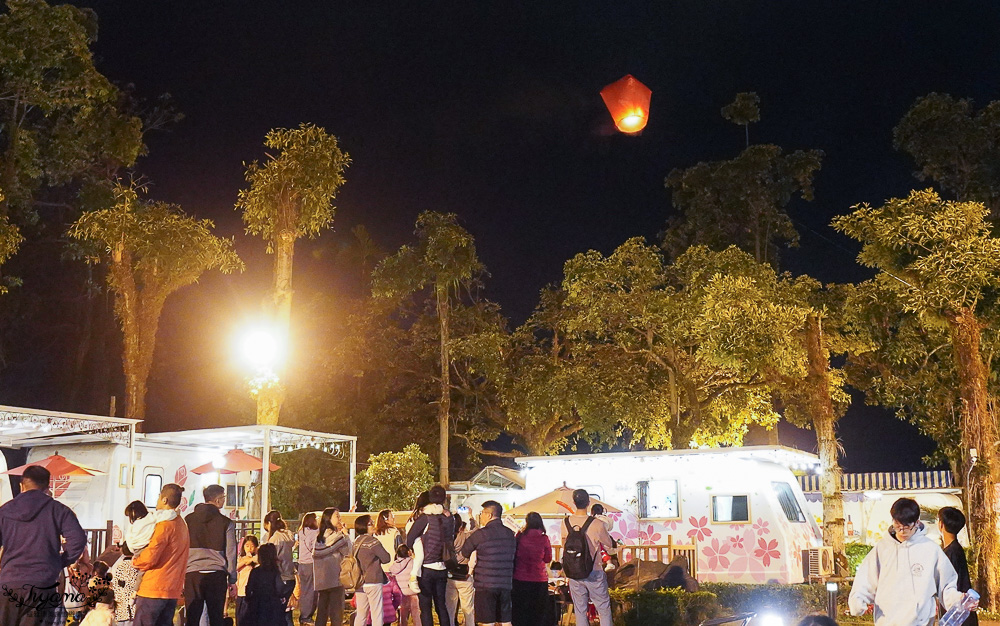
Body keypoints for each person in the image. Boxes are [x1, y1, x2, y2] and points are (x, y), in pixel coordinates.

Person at [849, 497, 967, 626]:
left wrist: (958, 600)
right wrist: (858, 600)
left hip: (920, 622)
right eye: (898, 526)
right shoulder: (882, 549)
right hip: (887, 621)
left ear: (917, 522)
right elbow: (866, 579)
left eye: (907, 527)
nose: (902, 531)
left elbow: (946, 586)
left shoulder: (930, 550)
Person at [0, 464, 88, 626]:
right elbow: (78, 540)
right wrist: (59, 561)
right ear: (47, 487)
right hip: (43, 584)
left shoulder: (5, 511)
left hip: (9, 584)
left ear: (21, 485)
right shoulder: (58, 510)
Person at [132, 483, 191, 626]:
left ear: (164, 500)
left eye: (159, 497)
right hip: (172, 589)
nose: (157, 500)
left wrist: (136, 561)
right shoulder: (181, 524)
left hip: (153, 588)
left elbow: (151, 555)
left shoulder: (164, 525)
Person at [560, 489, 616, 626]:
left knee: (580, 610)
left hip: (574, 572)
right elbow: (609, 545)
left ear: (574, 502)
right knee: (603, 609)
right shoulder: (596, 523)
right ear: (588, 503)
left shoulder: (565, 522)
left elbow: (564, 545)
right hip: (594, 571)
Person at [184, 484, 237, 626]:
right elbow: (231, 552)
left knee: (192, 618)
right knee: (216, 618)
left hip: (192, 573)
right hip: (217, 574)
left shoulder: (188, 520)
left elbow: (182, 547)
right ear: (218, 500)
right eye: (224, 497)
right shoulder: (226, 523)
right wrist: (232, 579)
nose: (224, 500)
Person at [460, 501, 516, 626]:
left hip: (485, 585)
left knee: (487, 622)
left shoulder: (481, 534)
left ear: (489, 515)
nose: (481, 516)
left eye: (482, 513)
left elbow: (465, 552)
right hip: (506, 584)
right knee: (506, 622)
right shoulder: (510, 534)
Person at [405, 485, 454, 626]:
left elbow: (409, 539)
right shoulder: (449, 518)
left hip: (426, 569)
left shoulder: (425, 518)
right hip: (443, 567)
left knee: (426, 608)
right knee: (441, 606)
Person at [939, 507, 978, 626]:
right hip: (961, 612)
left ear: (941, 525)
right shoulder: (955, 549)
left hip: (958, 615)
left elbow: (948, 584)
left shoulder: (951, 553)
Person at [511, 512, 551, 626]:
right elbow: (548, 558)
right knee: (538, 611)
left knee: (520, 610)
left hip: (520, 578)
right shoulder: (544, 538)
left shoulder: (520, 536)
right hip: (539, 579)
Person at [312, 508, 350, 626]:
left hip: (322, 581)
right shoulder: (338, 537)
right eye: (337, 516)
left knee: (321, 614)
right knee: (336, 615)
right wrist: (346, 534)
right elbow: (349, 551)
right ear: (329, 519)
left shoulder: (319, 538)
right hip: (335, 580)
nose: (339, 519)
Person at [352, 514, 391, 626]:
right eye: (370, 523)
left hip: (359, 581)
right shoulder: (372, 542)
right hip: (373, 580)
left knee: (361, 614)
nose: (373, 525)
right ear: (364, 526)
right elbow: (386, 558)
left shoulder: (356, 542)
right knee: (377, 613)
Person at [244, 543, 286, 626]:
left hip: (256, 605)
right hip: (272, 606)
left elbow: (249, 589)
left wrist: (249, 599)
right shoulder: (276, 572)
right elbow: (279, 588)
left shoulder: (255, 571)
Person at [264, 511, 297, 616]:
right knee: (286, 611)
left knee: (277, 611)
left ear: (269, 523)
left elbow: (271, 558)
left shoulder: (275, 539)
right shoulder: (288, 535)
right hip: (290, 577)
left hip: (280, 577)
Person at [447, 516, 475, 626]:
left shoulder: (446, 539)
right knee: (468, 609)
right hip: (465, 575)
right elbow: (476, 529)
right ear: (460, 526)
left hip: (450, 574)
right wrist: (471, 517)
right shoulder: (466, 536)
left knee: (450, 608)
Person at [388, 544, 420, 626]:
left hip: (402, 591)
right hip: (412, 590)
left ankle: (403, 624)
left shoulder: (395, 565)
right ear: (408, 552)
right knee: (415, 611)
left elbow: (391, 571)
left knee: (403, 611)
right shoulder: (413, 562)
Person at [297, 512, 320, 626]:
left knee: (304, 591)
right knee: (312, 592)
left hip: (301, 564)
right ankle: (307, 617)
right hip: (311, 564)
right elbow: (315, 548)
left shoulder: (301, 532)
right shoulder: (315, 533)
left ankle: (303, 615)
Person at [236, 535, 259, 624]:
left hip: (253, 594)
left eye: (252, 546)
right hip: (241, 593)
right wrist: (245, 561)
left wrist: (251, 559)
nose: (249, 548)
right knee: (240, 619)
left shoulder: (257, 560)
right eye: (247, 546)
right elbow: (235, 568)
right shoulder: (240, 559)